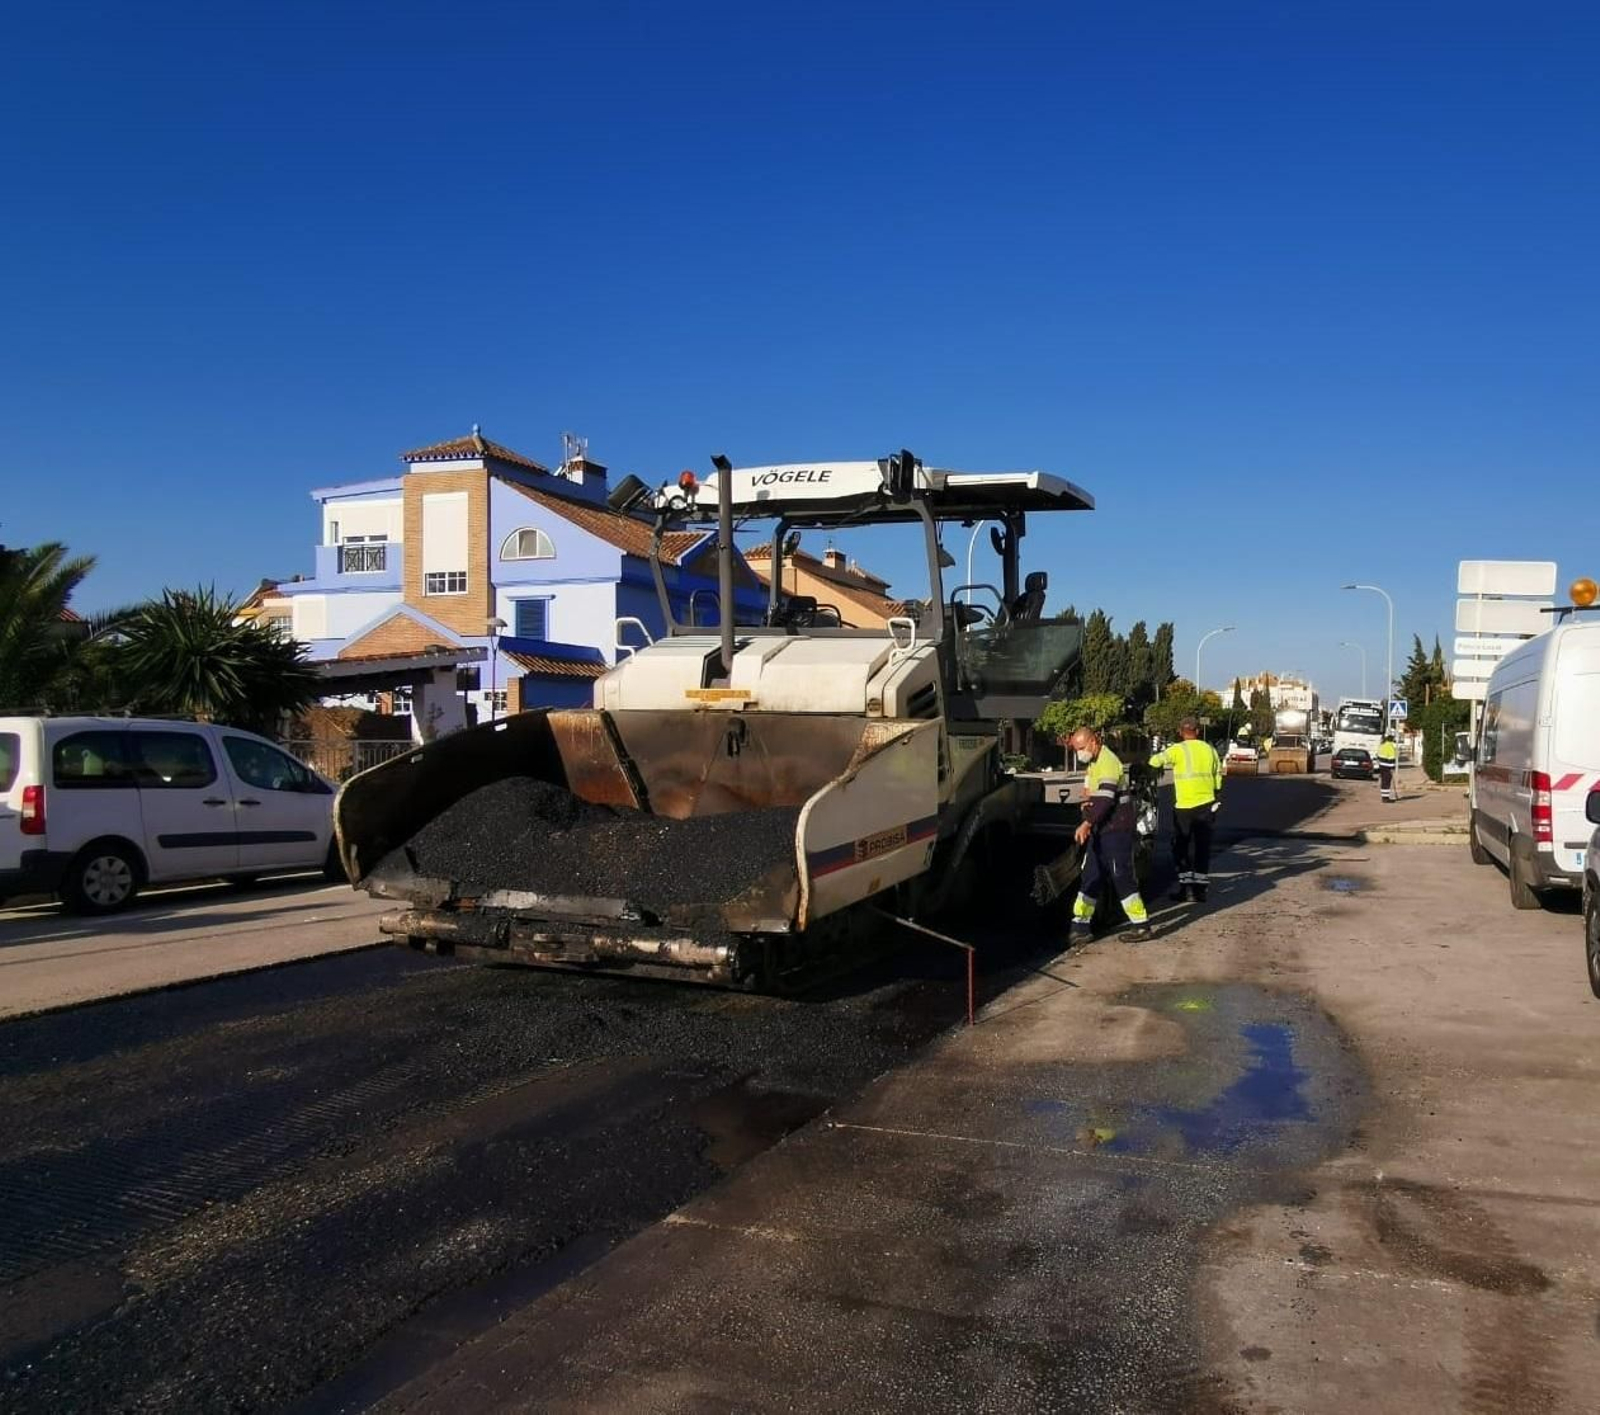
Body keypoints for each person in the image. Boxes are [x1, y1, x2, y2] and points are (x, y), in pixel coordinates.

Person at [1063, 726, 1152, 941]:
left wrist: (1086, 823)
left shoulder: (1108, 762)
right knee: (1091, 876)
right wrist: (1087, 805)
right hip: (1102, 828)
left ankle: (1141, 925)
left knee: (1120, 874)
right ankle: (1080, 927)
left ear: (1094, 741)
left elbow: (1104, 799)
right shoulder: (1094, 763)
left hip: (1116, 828)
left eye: (1082, 748)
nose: (1079, 753)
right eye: (1076, 749)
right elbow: (1089, 792)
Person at [1148, 715, 1223, 903]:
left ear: (1180, 732)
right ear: (1198, 731)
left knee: (1181, 848)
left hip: (1183, 808)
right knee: (1202, 848)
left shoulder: (1177, 750)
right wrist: (1215, 794)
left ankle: (1185, 888)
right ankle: (1200, 891)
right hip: (1206, 805)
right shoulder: (1210, 750)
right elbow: (1218, 777)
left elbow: (1154, 762)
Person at [1377, 733, 1398, 803]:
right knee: (1387, 782)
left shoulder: (1382, 745)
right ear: (1391, 739)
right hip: (1388, 767)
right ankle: (1386, 798)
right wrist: (1392, 767)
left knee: (1383, 781)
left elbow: (1378, 756)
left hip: (1382, 766)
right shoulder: (1390, 746)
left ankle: (1384, 797)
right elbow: (1392, 758)